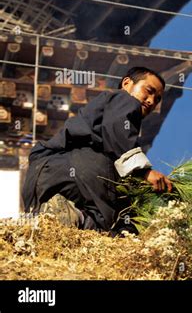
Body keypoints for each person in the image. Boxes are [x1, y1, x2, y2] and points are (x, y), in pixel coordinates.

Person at [22, 67, 172, 235]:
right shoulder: (123, 99)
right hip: (68, 169)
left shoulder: (116, 144)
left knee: (110, 223)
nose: (152, 101)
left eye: (157, 99)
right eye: (149, 91)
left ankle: (69, 217)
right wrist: (143, 172)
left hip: (46, 183)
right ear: (127, 83)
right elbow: (117, 129)